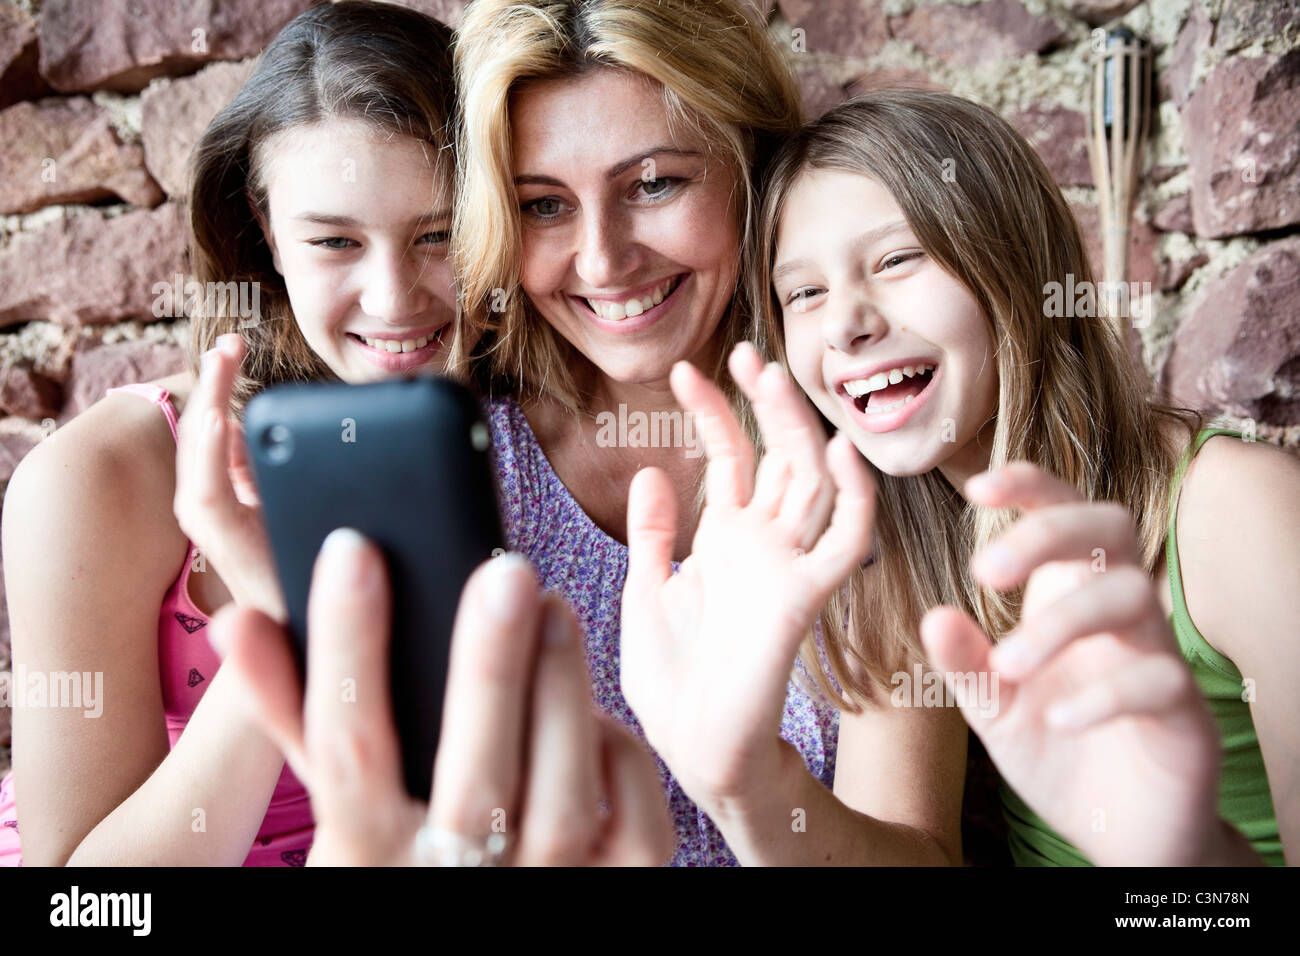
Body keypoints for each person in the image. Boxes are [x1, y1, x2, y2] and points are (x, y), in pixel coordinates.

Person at [449, 0, 967, 864]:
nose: (604, 261)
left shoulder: (859, 425)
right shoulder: (462, 453)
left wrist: (750, 784)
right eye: (542, 206)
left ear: (750, 163)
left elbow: (922, 852)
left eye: (654, 184)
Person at [751, 90, 1297, 865]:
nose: (844, 323)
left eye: (898, 258)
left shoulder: (1236, 507)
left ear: (1015, 261)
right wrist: (745, 781)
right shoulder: (907, 545)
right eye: (804, 292)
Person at [3, 0, 460, 866]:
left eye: (439, 234)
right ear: (263, 229)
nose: (397, 297)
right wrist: (278, 630)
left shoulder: (501, 426)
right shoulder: (103, 478)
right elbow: (80, 904)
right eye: (334, 241)